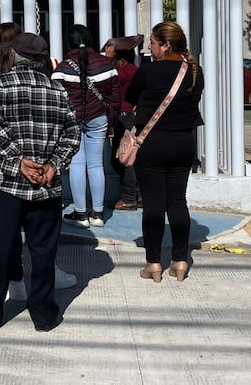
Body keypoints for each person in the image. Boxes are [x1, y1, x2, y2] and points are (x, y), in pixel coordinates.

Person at [0, 33, 80, 333]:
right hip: (46, 185)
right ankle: (44, 314)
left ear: (14, 56)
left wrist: (18, 161)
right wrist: (53, 165)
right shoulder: (58, 90)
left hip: (7, 183)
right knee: (43, 252)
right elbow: (72, 133)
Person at [125, 22, 203, 283]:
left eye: (153, 42)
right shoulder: (194, 71)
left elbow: (130, 96)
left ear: (166, 45)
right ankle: (180, 261)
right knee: (178, 201)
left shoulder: (148, 71)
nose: (149, 46)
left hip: (153, 144)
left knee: (154, 204)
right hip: (183, 143)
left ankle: (154, 263)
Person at [52, 24, 120, 228]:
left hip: (72, 120)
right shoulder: (107, 64)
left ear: (69, 42)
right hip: (99, 118)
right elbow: (115, 96)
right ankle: (98, 214)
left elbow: (56, 98)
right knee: (96, 164)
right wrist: (111, 119)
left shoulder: (62, 68)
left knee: (77, 165)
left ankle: (80, 214)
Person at [105, 37, 142, 210]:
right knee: (125, 159)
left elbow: (104, 79)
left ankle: (129, 198)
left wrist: (106, 58)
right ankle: (138, 195)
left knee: (124, 159)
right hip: (125, 116)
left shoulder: (126, 71)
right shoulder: (131, 70)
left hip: (125, 117)